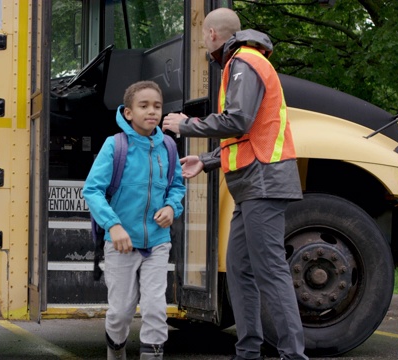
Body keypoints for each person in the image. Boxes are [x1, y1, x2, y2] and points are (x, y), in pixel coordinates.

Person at [161, 8, 308, 360]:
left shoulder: (244, 61)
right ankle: (247, 351)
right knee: (241, 268)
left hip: (263, 183)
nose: (202, 43)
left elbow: (239, 120)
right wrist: (207, 161)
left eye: (202, 36)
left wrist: (187, 125)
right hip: (253, 185)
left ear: (213, 34)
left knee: (270, 270)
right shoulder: (242, 62)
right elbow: (250, 131)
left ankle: (293, 355)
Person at [83, 80, 186, 360]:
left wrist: (171, 207)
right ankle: (115, 351)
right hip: (120, 245)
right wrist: (113, 226)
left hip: (157, 242)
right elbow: (92, 190)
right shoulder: (115, 146)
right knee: (120, 312)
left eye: (157, 106)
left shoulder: (168, 146)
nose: (152, 111)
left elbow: (177, 185)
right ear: (128, 112)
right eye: (144, 106)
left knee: (155, 308)